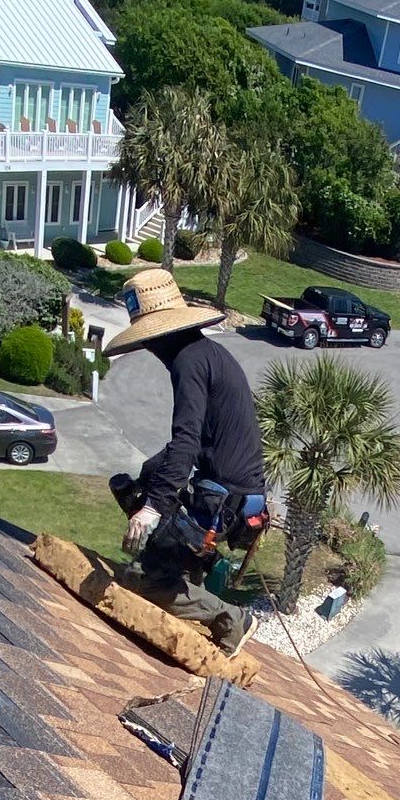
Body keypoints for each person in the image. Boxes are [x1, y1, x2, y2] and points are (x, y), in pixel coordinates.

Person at [104, 269, 267, 657]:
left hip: (223, 499)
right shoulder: (207, 353)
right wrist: (151, 474)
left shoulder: (189, 361)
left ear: (160, 335)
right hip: (232, 492)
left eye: (148, 341)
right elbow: (192, 445)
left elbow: (187, 441)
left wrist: (151, 508)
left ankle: (231, 619)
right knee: (152, 490)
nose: (150, 349)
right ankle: (191, 597)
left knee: (145, 577)